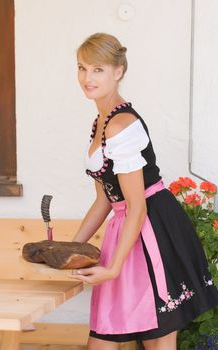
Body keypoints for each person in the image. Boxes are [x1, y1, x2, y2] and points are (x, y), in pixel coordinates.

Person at [71, 33, 218, 350]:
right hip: (125, 232)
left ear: (118, 70)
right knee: (105, 335)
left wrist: (112, 267)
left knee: (157, 339)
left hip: (152, 232)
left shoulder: (121, 126)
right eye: (82, 68)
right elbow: (104, 201)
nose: (87, 78)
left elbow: (136, 207)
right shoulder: (100, 124)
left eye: (98, 69)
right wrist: (70, 249)